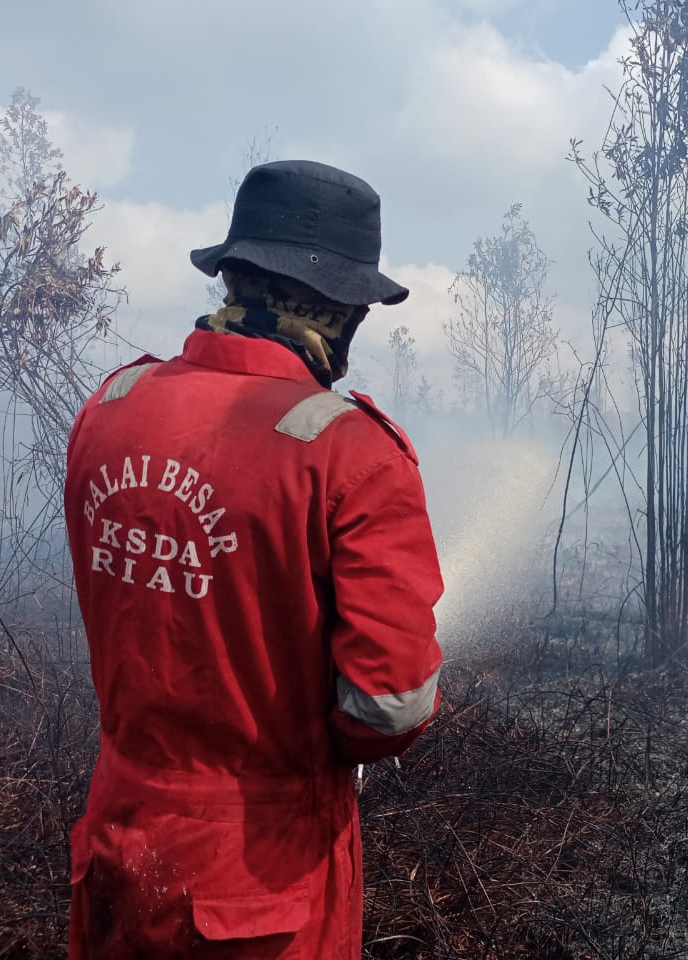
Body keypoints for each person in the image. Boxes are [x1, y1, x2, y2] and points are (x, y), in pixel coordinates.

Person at [63, 160, 444, 958]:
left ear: (233, 279)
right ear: (337, 311)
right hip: (259, 889)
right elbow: (390, 703)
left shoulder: (111, 409)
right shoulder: (350, 455)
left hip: (118, 846)